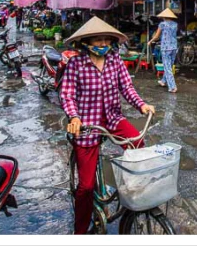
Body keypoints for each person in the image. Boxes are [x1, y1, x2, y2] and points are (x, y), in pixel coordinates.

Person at [60, 17, 155, 235]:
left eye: (106, 40)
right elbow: (67, 95)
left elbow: (127, 88)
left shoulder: (115, 61)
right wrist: (74, 118)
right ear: (86, 42)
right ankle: (80, 231)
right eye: (98, 40)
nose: (103, 44)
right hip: (86, 124)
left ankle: (133, 194)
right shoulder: (76, 64)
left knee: (138, 144)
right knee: (85, 187)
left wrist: (141, 105)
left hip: (112, 118)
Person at [147, 8, 179, 93]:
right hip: (174, 47)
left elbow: (157, 36)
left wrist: (150, 41)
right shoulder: (175, 24)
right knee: (169, 65)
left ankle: (172, 87)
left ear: (164, 16)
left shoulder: (162, 24)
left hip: (166, 47)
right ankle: (163, 81)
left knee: (167, 67)